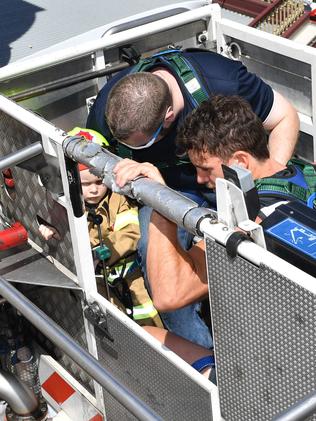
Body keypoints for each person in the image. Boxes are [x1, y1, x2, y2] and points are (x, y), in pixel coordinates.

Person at [87, 48, 299, 347]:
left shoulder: (223, 80)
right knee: (154, 251)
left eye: (147, 143)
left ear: (169, 117)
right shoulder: (110, 109)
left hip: (237, 184)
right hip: (173, 190)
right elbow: (92, 156)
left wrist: (256, 196)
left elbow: (284, 117)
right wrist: (159, 196)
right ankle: (202, 352)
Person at [114, 95, 314, 313]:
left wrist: (160, 198)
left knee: (148, 333)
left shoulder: (253, 221)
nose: (199, 179)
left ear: (240, 162)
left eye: (206, 169)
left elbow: (169, 295)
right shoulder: (306, 173)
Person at [39, 128, 162, 328]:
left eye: (99, 181)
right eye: (85, 184)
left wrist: (101, 252)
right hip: (96, 281)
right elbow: (57, 224)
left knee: (145, 313)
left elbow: (131, 233)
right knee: (113, 324)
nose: (95, 189)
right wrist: (50, 229)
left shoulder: (119, 199)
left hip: (129, 274)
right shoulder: (67, 204)